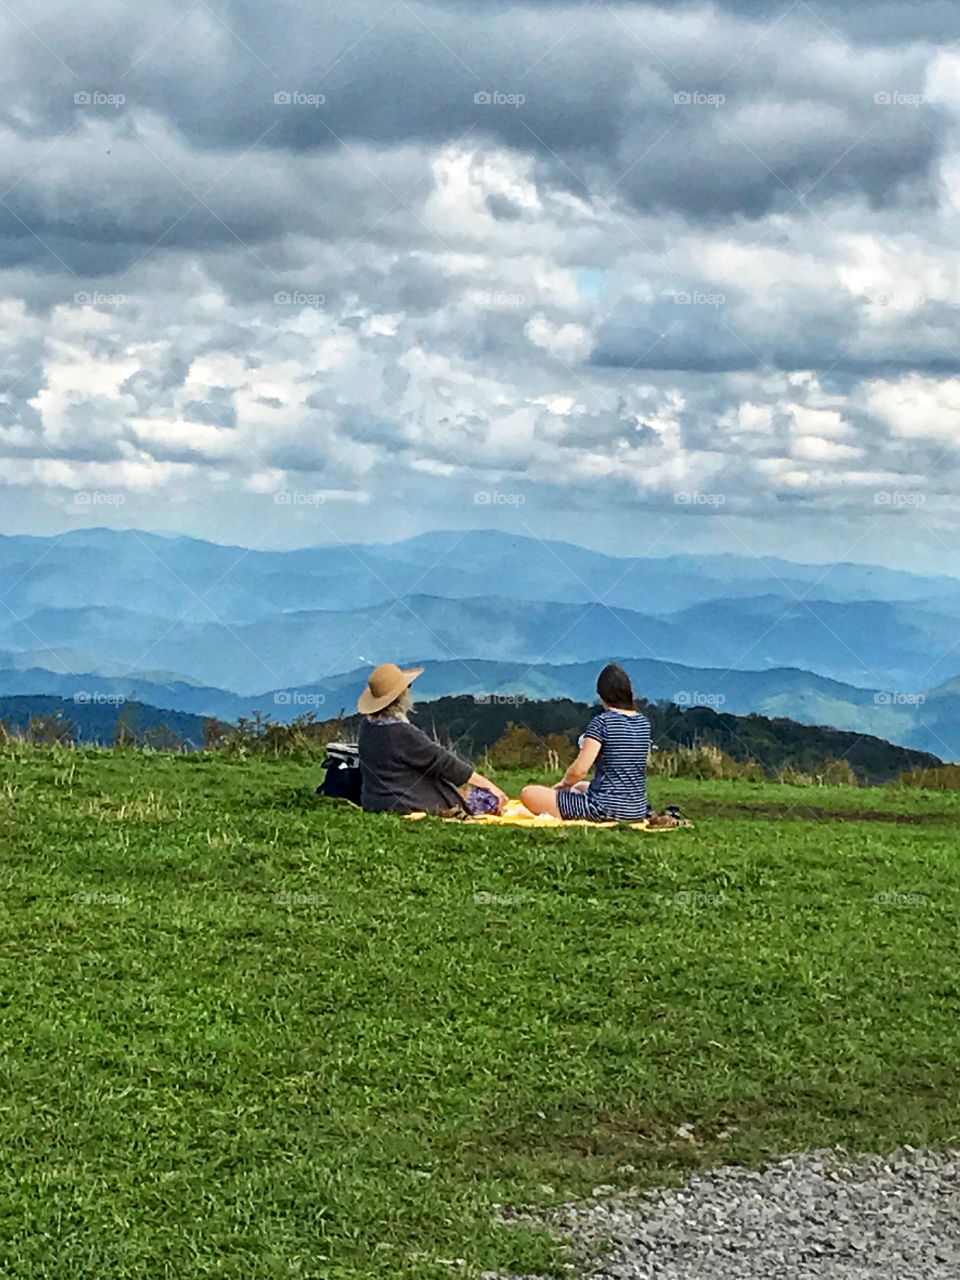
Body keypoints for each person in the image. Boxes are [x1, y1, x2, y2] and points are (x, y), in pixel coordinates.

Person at [357, 662, 507, 815]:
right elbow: (443, 762)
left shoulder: (366, 727)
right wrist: (489, 786)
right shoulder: (402, 733)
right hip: (407, 803)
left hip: (374, 801)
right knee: (488, 800)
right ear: (401, 696)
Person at [521, 663, 651, 822]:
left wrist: (562, 785)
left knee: (529, 793)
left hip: (604, 808)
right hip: (637, 809)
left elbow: (579, 770)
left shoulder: (602, 723)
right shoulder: (643, 723)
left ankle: (569, 808)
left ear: (602, 695)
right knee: (580, 787)